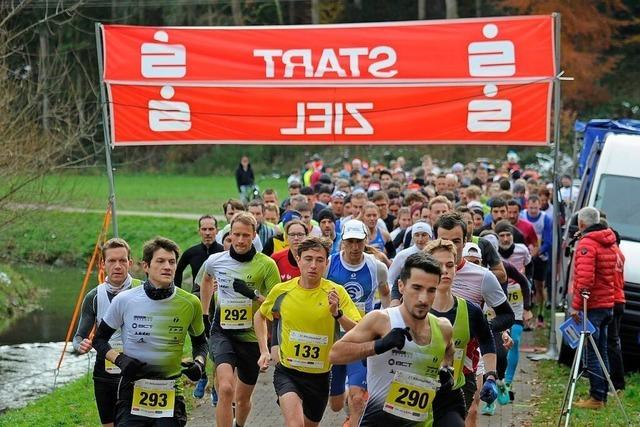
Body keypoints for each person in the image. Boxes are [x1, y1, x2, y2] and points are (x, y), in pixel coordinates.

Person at [330, 252, 466, 427]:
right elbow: (335, 354)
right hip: (378, 421)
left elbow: (449, 353)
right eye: (416, 288)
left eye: (431, 290)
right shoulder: (381, 320)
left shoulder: (443, 328)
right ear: (401, 286)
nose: (423, 298)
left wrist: (446, 371)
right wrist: (379, 345)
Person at [93, 237, 207, 427]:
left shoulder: (190, 303)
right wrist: (119, 359)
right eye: (160, 261)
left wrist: (199, 363)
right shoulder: (124, 300)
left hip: (170, 396)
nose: (167, 267)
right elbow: (100, 339)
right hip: (132, 393)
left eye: (172, 262)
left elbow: (201, 343)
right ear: (146, 266)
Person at [254, 236, 362, 427]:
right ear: (298, 259)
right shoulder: (282, 291)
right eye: (308, 259)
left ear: (327, 263)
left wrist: (338, 314)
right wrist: (264, 349)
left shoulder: (336, 292)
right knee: (295, 424)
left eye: (319, 260)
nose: (313, 265)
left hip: (320, 376)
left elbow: (358, 331)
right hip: (288, 372)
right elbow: (260, 315)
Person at [200, 212, 281, 426]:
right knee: (226, 389)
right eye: (236, 235)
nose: (240, 240)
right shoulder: (215, 261)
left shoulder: (266, 265)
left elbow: (278, 310)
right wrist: (205, 312)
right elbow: (206, 280)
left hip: (251, 337)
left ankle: (239, 424)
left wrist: (252, 295)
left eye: (246, 235)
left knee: (242, 399)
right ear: (230, 235)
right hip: (222, 332)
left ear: (254, 235)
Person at [326, 219, 390, 426]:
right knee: (335, 404)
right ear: (342, 241)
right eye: (350, 241)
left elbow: (386, 293)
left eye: (359, 242)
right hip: (334, 338)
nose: (354, 247)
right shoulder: (329, 264)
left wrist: (384, 320)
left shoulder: (377, 267)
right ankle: (345, 398)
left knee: (358, 398)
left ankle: (354, 414)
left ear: (366, 241)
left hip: (362, 338)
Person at [426, 239, 498, 418]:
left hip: (457, 388)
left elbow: (487, 339)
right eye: (438, 265)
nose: (445, 271)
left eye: (450, 265)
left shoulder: (470, 310)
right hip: (419, 387)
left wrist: (490, 376)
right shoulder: (413, 308)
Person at [73, 238, 141, 427]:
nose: (118, 266)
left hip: (137, 371)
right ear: (103, 264)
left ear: (130, 263)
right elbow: (78, 336)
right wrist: (81, 345)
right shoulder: (94, 296)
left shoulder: (143, 290)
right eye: (112, 261)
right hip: (105, 373)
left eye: (122, 260)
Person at [571, 207, 617, 409]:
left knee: (592, 351)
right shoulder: (608, 240)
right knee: (602, 351)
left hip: (594, 305)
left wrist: (575, 306)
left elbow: (585, 280)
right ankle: (602, 393)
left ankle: (597, 397)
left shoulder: (588, 244)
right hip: (607, 303)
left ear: (581, 224)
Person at [174, 215, 224, 400]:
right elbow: (177, 271)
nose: (208, 233)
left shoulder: (222, 251)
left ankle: (216, 386)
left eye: (211, 229)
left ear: (217, 231)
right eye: (204, 229)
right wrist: (177, 295)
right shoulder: (191, 252)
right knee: (200, 339)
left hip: (219, 299)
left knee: (217, 344)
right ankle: (202, 377)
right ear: (199, 231)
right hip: (198, 298)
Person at [520, 195, 553, 327]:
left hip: (540, 257)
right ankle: (524, 316)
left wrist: (538, 251)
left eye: (536, 208)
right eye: (531, 207)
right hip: (525, 255)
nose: (533, 210)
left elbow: (549, 240)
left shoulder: (546, 218)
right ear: (527, 205)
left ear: (540, 206)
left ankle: (540, 314)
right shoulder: (522, 215)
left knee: (540, 286)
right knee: (524, 285)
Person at [388, 221, 432, 291]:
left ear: (430, 236)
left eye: (424, 235)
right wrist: (395, 296)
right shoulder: (402, 255)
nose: (420, 239)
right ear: (412, 236)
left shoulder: (435, 254)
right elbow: (390, 279)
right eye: (417, 235)